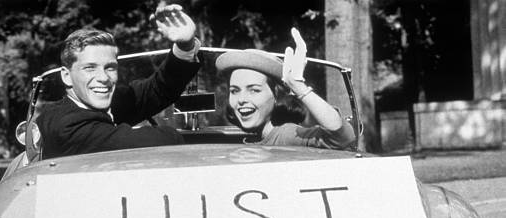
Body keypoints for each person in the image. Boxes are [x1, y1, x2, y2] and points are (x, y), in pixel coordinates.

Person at [37, 4, 201, 159]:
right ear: (66, 76)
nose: (103, 78)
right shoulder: (66, 126)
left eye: (110, 67)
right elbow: (163, 141)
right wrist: (175, 134)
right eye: (90, 68)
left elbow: (158, 89)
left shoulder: (94, 104)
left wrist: (185, 45)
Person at [215, 28, 355, 150]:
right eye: (234, 91)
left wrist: (298, 86)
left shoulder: (284, 136)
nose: (241, 100)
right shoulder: (245, 137)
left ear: (276, 95)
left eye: (254, 90)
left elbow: (342, 137)